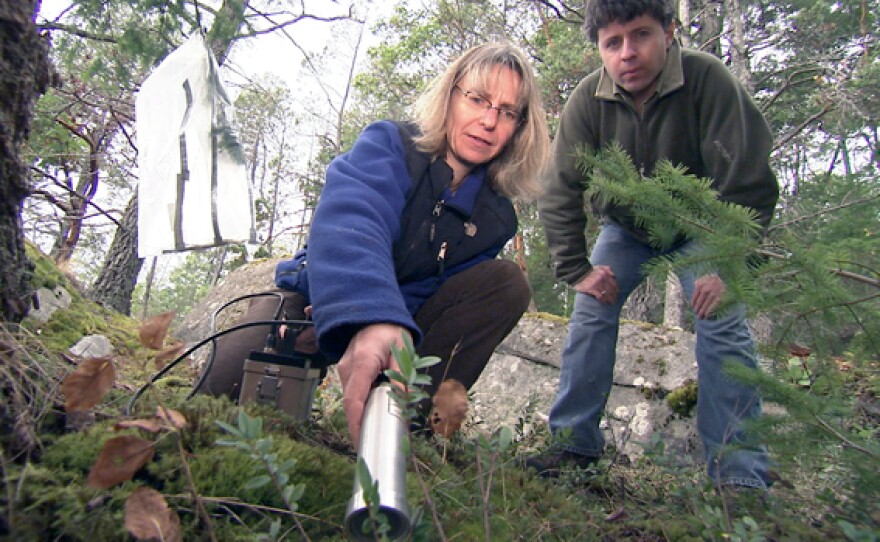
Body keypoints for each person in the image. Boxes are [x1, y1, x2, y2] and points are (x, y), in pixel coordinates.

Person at [201, 41, 550, 445]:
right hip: (314, 299)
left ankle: (400, 428)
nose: (489, 121)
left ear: (519, 129)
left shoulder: (495, 218)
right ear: (451, 97)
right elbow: (353, 219)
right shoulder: (390, 145)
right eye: (477, 99)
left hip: (403, 333)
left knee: (506, 284)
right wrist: (353, 315)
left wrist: (388, 323)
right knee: (214, 410)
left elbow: (442, 294)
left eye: (507, 112)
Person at [529, 0, 779, 491]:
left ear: (669, 31)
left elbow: (748, 182)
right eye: (612, 43)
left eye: (641, 35)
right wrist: (577, 268)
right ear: (600, 48)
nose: (628, 54)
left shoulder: (709, 81)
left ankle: (740, 477)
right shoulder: (587, 101)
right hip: (626, 229)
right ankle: (572, 447)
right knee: (590, 309)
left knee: (720, 317)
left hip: (705, 225)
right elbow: (559, 188)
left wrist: (727, 264)